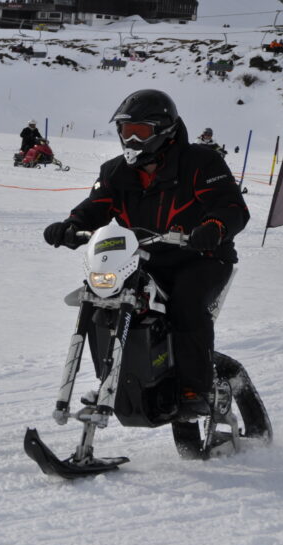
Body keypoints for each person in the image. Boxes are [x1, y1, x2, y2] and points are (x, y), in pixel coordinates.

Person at [42, 89, 249, 415]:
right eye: (126, 131)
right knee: (99, 299)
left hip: (201, 258)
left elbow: (231, 207)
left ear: (165, 130)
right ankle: (113, 381)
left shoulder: (200, 162)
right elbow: (95, 207)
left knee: (186, 304)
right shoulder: (115, 172)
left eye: (141, 132)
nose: (132, 141)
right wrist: (71, 226)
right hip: (142, 259)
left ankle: (196, 390)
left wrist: (214, 227)